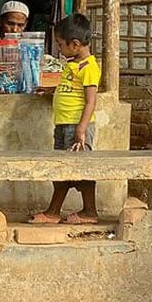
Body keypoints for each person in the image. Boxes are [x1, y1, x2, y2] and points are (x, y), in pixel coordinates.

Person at [29, 13, 100, 224]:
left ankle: (89, 211)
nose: (58, 48)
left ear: (75, 44)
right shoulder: (72, 64)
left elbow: (90, 101)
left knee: (81, 171)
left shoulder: (89, 68)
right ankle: (53, 211)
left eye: (60, 44)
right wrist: (51, 91)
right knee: (61, 169)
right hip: (63, 125)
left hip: (75, 127)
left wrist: (82, 129)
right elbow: (70, 90)